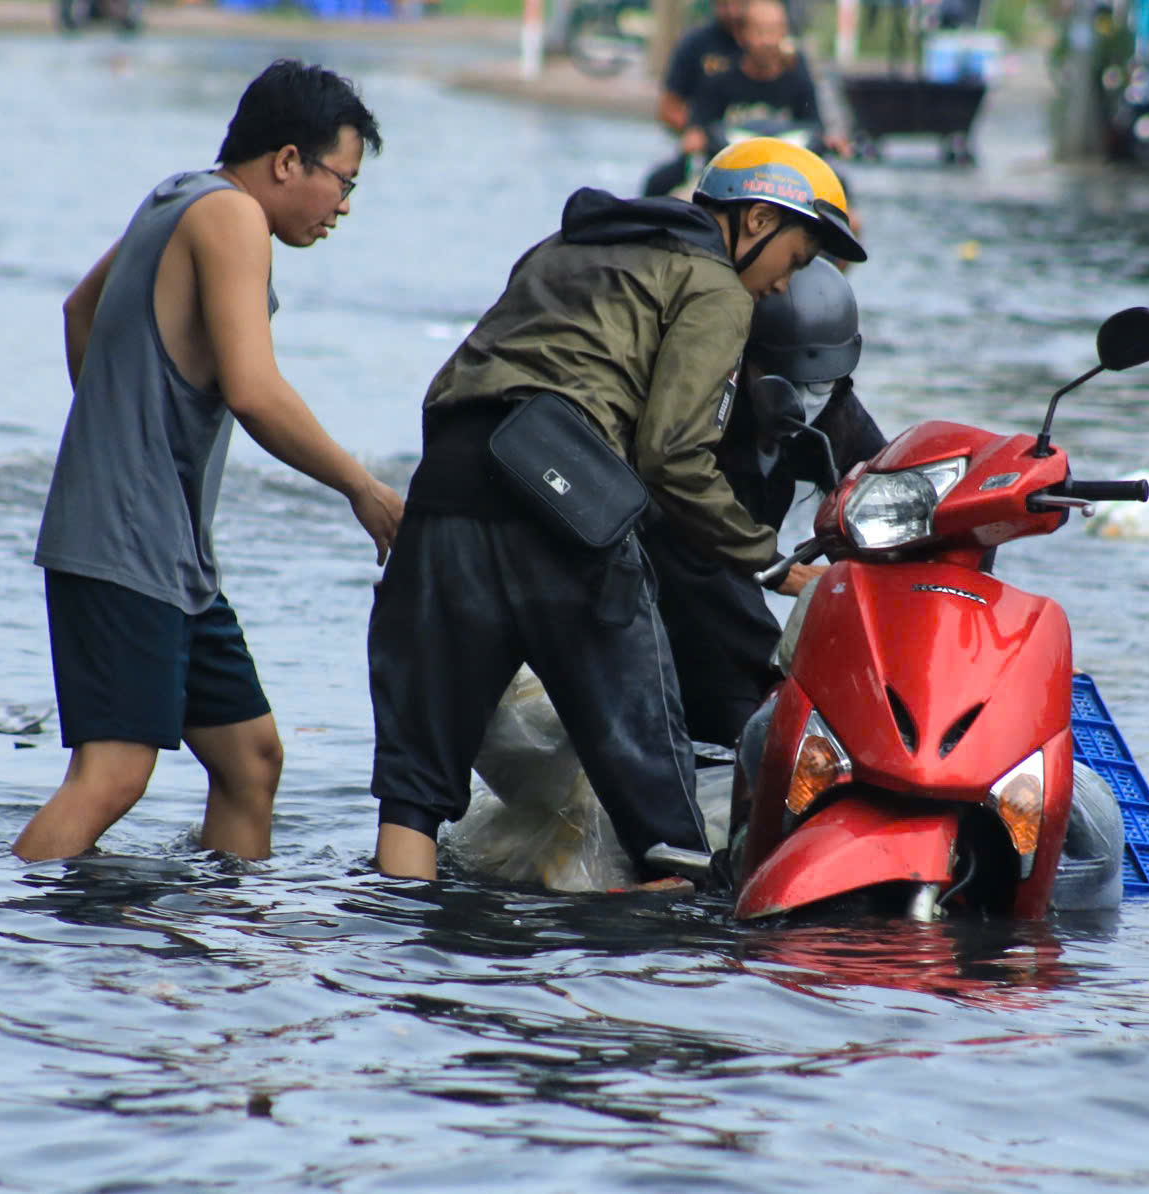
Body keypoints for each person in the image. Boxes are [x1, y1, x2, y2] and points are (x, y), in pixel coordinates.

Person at [367, 138, 866, 884]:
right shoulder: (714, 285)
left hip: (445, 492)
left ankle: (394, 983)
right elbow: (672, 458)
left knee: (413, 798)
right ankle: (659, 994)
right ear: (757, 220)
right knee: (664, 819)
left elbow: (465, 377)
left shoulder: (561, 246)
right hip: (566, 502)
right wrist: (769, 560)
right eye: (794, 261)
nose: (780, 288)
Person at [14, 60, 405, 863]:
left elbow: (79, 309)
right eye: (343, 181)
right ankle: (0, 945)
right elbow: (255, 392)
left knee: (250, 759)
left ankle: (218, 948)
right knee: (115, 775)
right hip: (128, 544)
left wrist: (122, 429)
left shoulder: (176, 194)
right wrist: (361, 488)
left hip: (167, 551)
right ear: (288, 161)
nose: (345, 208)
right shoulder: (231, 218)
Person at [643, 256, 886, 748]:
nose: (807, 399)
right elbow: (686, 523)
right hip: (671, 585)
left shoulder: (837, 415)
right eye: (785, 383)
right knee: (750, 693)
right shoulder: (700, 411)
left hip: (736, 589)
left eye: (822, 385)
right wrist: (781, 573)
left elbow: (892, 482)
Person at [680, 0, 849, 160]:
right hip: (730, 169)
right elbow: (697, 129)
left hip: (786, 175)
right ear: (741, 34)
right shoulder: (719, 80)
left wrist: (831, 141)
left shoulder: (798, 79)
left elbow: (815, 128)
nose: (767, 41)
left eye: (774, 31)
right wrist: (696, 138)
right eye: (760, 32)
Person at [657, 0, 750, 136]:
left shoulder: (769, 46)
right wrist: (697, 134)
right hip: (709, 138)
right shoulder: (695, 43)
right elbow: (669, 107)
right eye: (724, 4)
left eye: (739, 3)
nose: (732, 11)